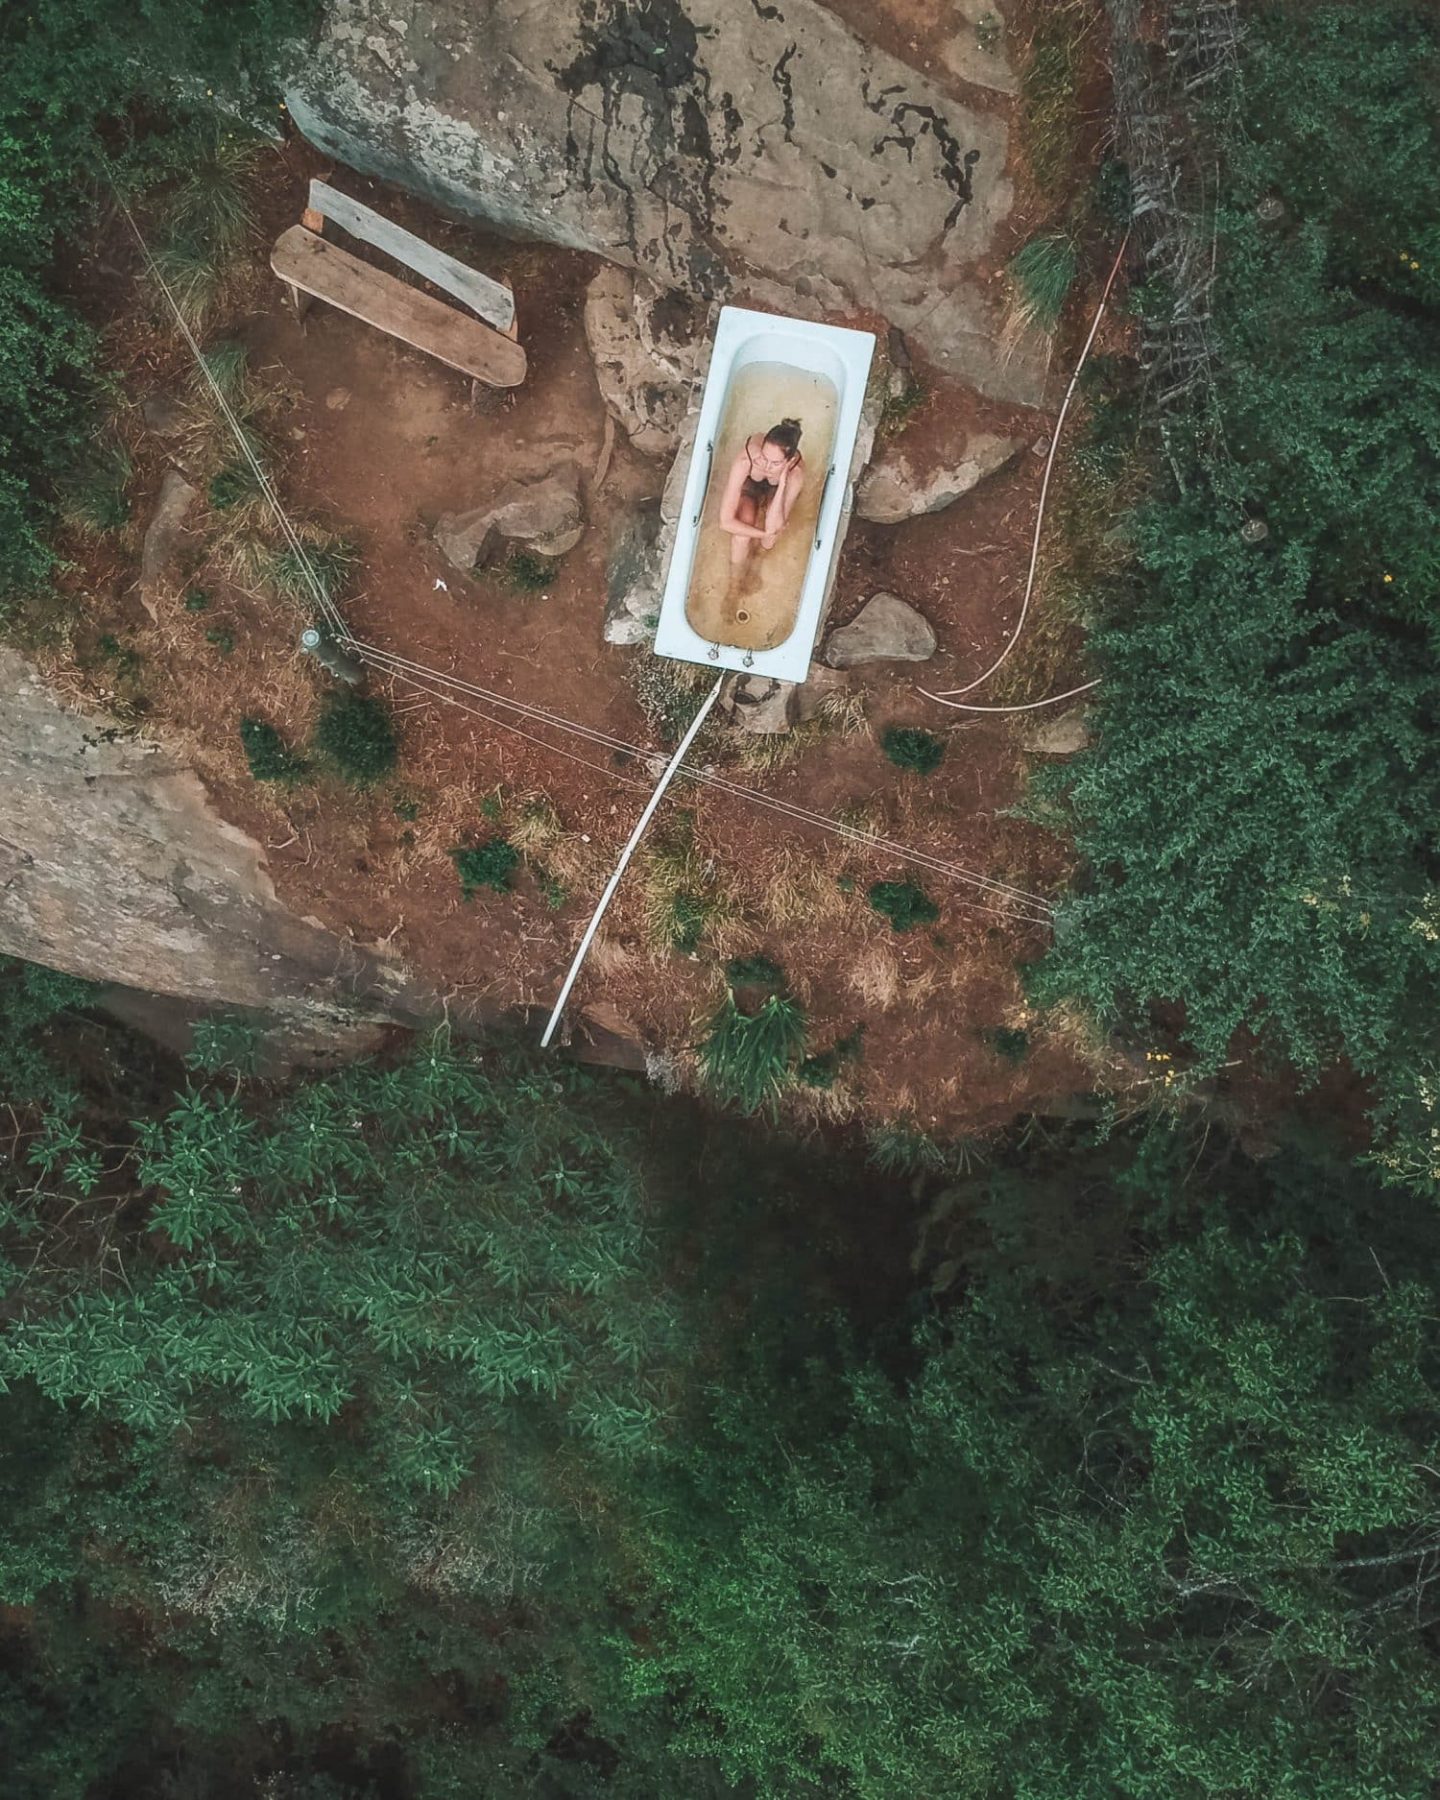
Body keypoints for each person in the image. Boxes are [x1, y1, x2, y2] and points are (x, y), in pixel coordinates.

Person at [717, 418, 805, 580]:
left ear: (789, 461)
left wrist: (783, 483)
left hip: (776, 490)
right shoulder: (746, 460)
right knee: (741, 536)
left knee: (770, 542)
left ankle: (758, 562)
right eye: (764, 458)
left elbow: (775, 528)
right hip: (749, 488)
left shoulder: (795, 474)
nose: (766, 466)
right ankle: (734, 582)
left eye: (776, 463)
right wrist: (763, 534)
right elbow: (725, 522)